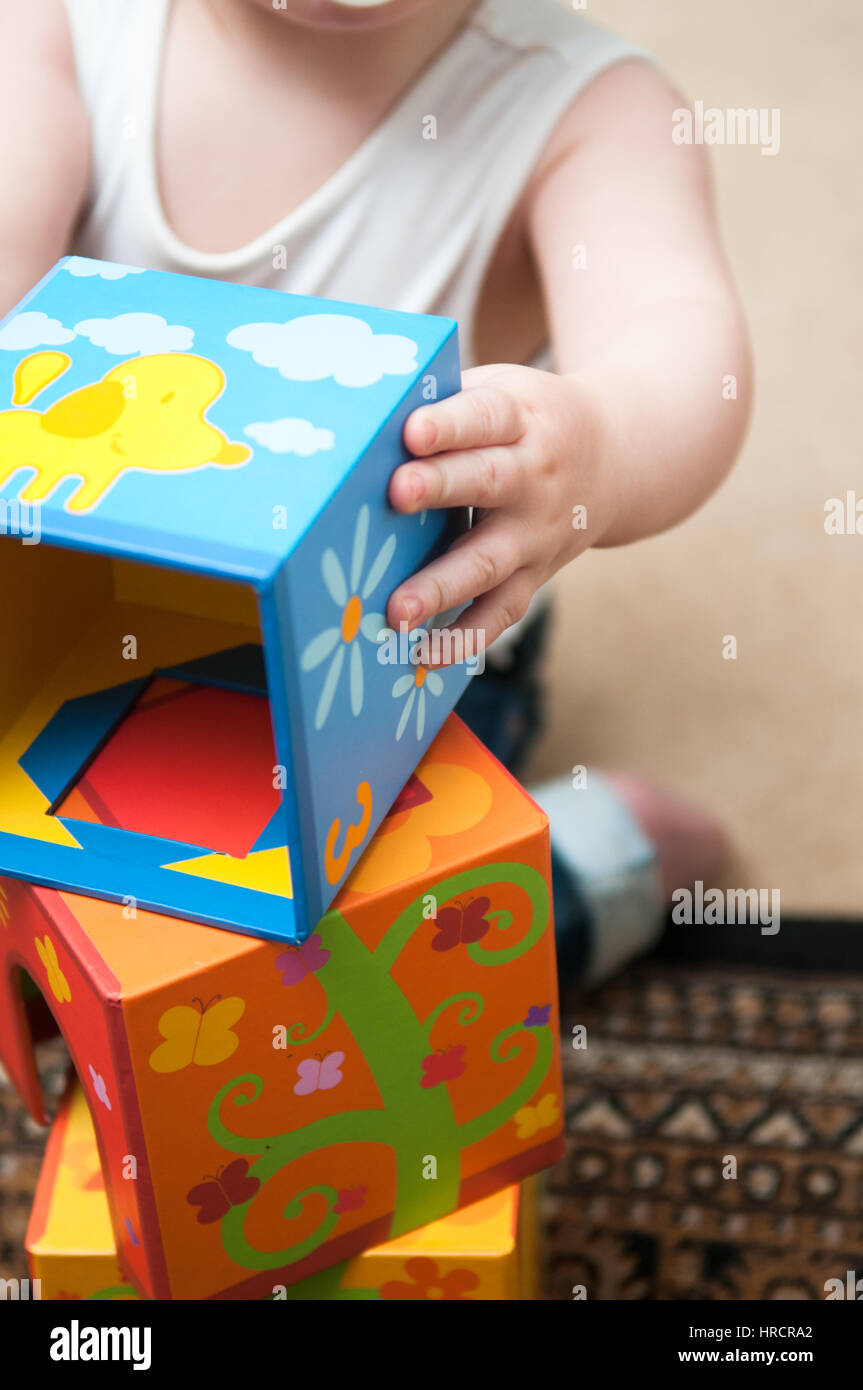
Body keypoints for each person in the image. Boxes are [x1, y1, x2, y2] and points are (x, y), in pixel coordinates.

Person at [0, 0, 749, 981]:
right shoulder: (62, 25)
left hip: (398, 680)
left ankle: (589, 859)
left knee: (344, 999)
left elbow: (680, 344)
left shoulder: (590, 114)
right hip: (86, 632)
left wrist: (599, 449)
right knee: (75, 943)